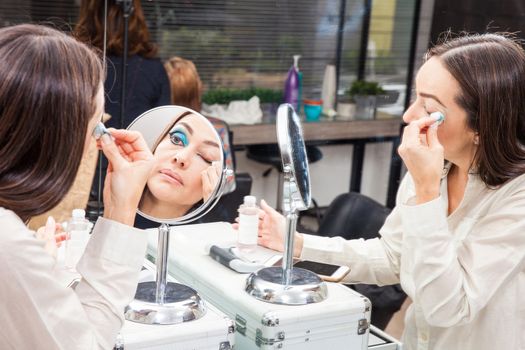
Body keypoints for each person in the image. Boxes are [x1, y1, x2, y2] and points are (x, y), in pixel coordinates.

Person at [247, 33, 525, 350]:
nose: (408, 117)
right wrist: (297, 244)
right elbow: (392, 258)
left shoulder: (516, 197)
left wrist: (426, 191)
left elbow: (447, 307)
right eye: (414, 99)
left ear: (482, 126)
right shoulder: (440, 165)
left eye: (430, 108)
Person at [0, 24, 154, 348]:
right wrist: (121, 213)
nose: (94, 143)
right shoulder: (7, 244)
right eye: (95, 125)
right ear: (54, 139)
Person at [75, 0, 171, 203]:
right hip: (131, 182)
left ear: (87, 14)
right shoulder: (154, 70)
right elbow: (163, 133)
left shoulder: (73, 65)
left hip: (73, 180)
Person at [136, 110, 222, 226]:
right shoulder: (109, 206)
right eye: (176, 139)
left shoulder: (213, 236)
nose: (181, 157)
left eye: (205, 156)